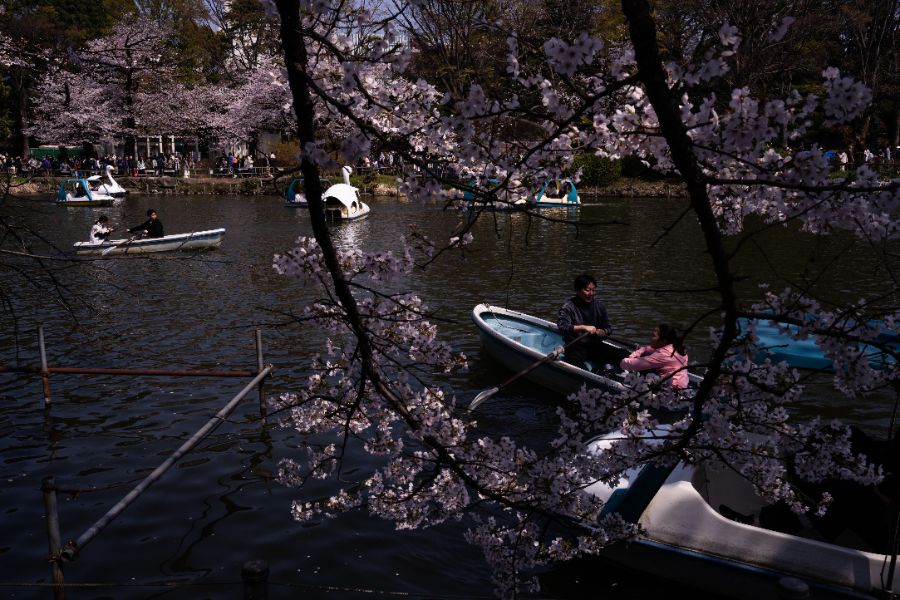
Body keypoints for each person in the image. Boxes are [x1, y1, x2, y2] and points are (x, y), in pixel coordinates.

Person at [557, 273, 613, 371]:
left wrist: (604, 331)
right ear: (578, 290)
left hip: (595, 345)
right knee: (577, 367)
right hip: (575, 347)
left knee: (623, 354)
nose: (591, 293)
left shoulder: (599, 306)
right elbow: (562, 327)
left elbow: (609, 327)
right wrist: (583, 327)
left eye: (593, 290)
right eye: (587, 290)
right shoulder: (568, 307)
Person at [620, 324, 689, 389]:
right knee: (645, 354)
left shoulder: (664, 355)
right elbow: (647, 348)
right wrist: (636, 353)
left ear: (663, 341)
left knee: (624, 357)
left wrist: (629, 358)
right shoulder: (677, 348)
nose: (650, 338)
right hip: (683, 385)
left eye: (653, 336)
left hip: (670, 390)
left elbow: (627, 364)